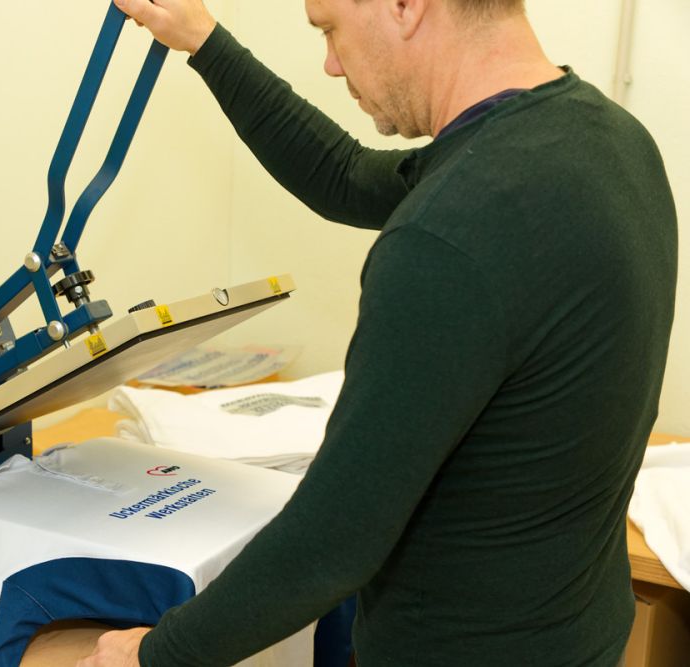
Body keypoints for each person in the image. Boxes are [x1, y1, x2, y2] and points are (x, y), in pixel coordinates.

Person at [78, 0, 678, 664]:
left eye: (330, 29)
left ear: (405, 6)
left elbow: (331, 543)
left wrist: (153, 655)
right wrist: (204, 41)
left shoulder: (447, 238)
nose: (331, 65)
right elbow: (346, 176)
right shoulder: (610, 143)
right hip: (578, 635)